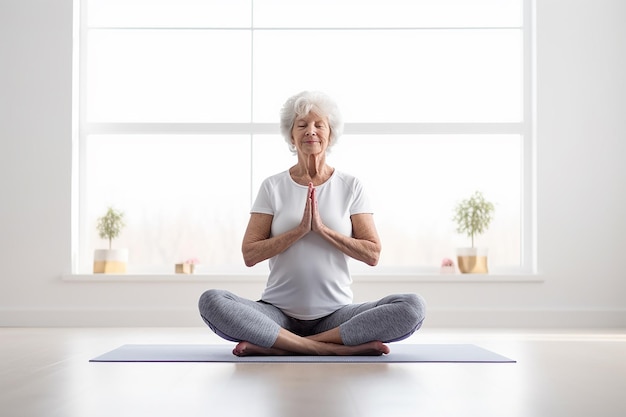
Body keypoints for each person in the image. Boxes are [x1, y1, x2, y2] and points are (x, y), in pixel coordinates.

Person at [198, 91, 426, 356]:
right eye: (302, 124)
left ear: (330, 134)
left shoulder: (350, 186)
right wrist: (298, 231)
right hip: (276, 314)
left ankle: (285, 345)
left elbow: (372, 253)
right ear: (291, 135)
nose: (311, 131)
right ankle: (326, 348)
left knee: (412, 307)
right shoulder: (273, 186)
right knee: (212, 301)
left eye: (319, 124)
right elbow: (250, 254)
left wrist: (322, 230)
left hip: (337, 317)